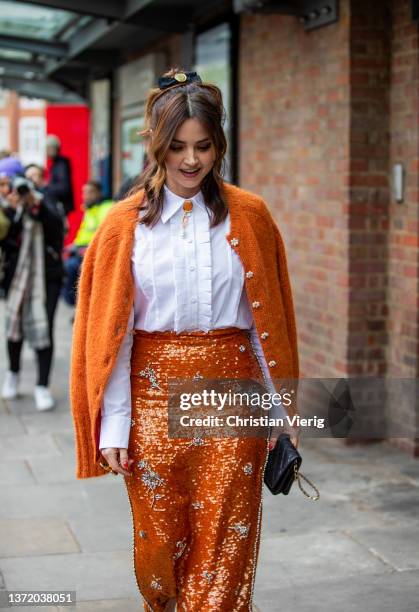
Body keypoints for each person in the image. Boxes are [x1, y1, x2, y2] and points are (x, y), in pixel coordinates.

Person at [70, 68, 299, 611]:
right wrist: (115, 424)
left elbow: (268, 326)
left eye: (203, 146)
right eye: (176, 147)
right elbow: (112, 336)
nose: (191, 161)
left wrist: (282, 412)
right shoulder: (123, 225)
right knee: (159, 558)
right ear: (155, 147)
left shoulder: (251, 216)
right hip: (149, 405)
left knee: (224, 554)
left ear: (218, 145)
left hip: (231, 397)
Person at [0, 169, 65, 410]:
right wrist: (12, 211)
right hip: (17, 277)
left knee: (44, 327)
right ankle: (13, 373)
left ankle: (42, 386)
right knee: (14, 325)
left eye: (34, 178)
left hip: (46, 276)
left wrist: (35, 204)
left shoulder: (45, 199)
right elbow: (6, 241)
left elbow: (58, 229)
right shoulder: (8, 206)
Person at [61, 181, 113, 307]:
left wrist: (85, 249)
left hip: (94, 253)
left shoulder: (106, 208)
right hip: (81, 251)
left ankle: (79, 306)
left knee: (70, 267)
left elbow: (104, 235)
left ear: (99, 193)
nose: (85, 196)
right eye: (84, 193)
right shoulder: (90, 210)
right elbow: (82, 236)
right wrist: (71, 247)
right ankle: (78, 306)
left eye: (90, 192)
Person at [46, 134, 74, 216]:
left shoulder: (61, 165)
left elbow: (64, 187)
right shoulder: (57, 164)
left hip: (60, 206)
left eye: (48, 148)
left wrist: (47, 187)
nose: (46, 151)